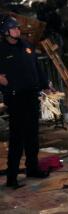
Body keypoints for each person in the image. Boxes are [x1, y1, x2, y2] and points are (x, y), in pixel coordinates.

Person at [0, 15, 50, 189]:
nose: (17, 31)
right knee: (17, 138)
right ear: (5, 32)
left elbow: (37, 67)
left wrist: (45, 85)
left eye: (17, 28)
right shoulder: (1, 50)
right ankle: (12, 177)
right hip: (15, 98)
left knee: (32, 135)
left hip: (31, 95)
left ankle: (32, 168)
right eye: (13, 28)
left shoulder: (27, 46)